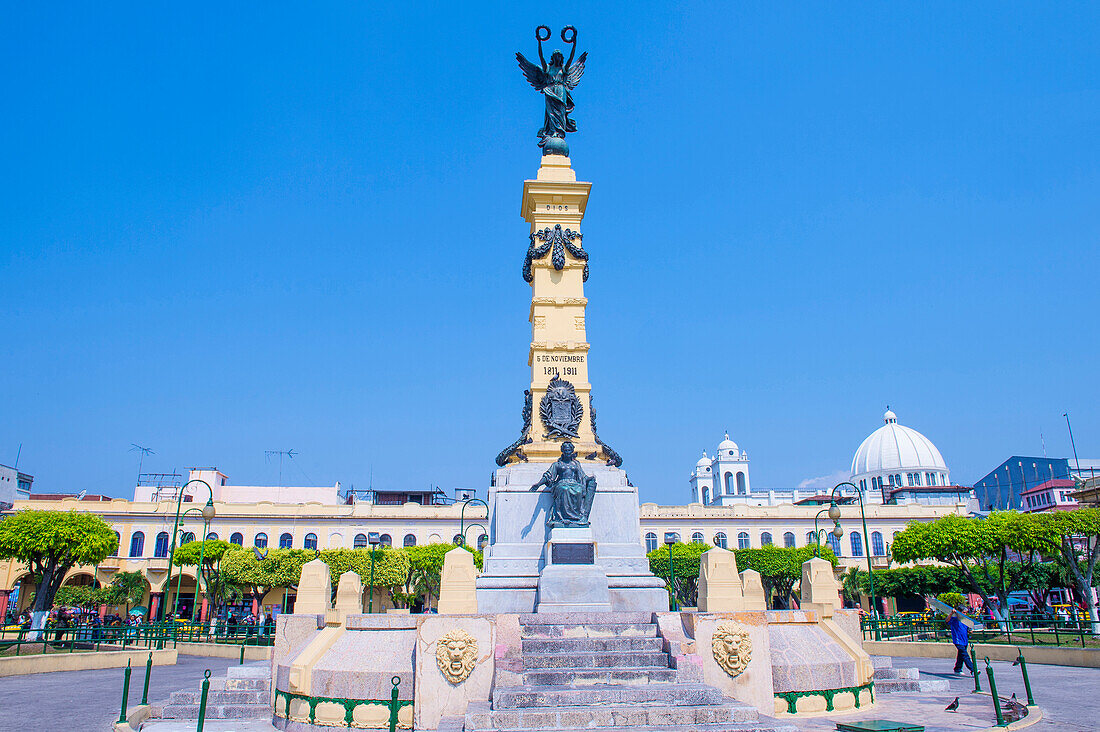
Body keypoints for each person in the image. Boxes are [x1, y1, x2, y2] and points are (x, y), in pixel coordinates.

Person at [948, 607, 974, 675]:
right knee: (965, 655)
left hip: (965, 640)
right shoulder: (954, 619)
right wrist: (951, 613)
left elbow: (968, 628)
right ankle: (973, 669)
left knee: (960, 655)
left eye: (966, 613)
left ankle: (957, 669)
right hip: (958, 641)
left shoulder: (965, 620)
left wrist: (970, 631)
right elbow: (947, 621)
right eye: (963, 612)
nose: (965, 614)